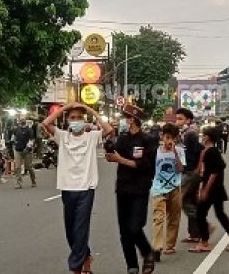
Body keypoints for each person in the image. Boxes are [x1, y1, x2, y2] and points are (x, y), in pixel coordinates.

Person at [43, 102, 112, 274]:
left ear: (84, 120)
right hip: (67, 188)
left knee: (81, 228)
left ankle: (76, 267)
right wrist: (64, 109)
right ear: (67, 120)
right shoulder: (62, 136)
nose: (76, 121)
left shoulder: (92, 137)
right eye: (72, 118)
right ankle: (86, 256)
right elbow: (46, 124)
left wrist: (90, 110)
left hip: (86, 188)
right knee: (71, 230)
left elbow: (109, 130)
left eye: (79, 118)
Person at [106, 104, 156, 274]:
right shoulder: (123, 139)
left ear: (132, 119)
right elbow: (113, 154)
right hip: (123, 189)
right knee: (124, 232)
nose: (123, 121)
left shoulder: (148, 140)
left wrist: (121, 160)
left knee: (135, 227)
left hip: (140, 189)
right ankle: (132, 266)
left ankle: (147, 252)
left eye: (125, 118)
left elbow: (147, 167)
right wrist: (110, 150)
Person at [189, 127, 229, 254]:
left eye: (204, 134)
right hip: (215, 188)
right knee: (220, 214)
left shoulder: (212, 151)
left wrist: (206, 189)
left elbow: (215, 171)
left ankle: (204, 242)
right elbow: (202, 170)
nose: (202, 136)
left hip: (213, 188)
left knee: (200, 214)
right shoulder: (207, 151)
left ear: (208, 137)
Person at [150, 123, 184, 262]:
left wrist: (175, 152)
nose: (170, 141)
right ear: (162, 136)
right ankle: (157, 247)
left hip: (175, 188)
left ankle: (169, 245)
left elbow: (181, 169)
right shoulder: (155, 151)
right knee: (158, 218)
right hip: (159, 189)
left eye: (173, 138)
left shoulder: (180, 151)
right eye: (168, 137)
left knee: (174, 218)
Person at [175, 108, 204, 243]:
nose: (178, 121)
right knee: (190, 200)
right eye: (177, 118)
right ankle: (195, 234)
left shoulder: (191, 134)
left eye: (180, 119)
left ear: (188, 120)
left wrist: (199, 169)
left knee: (179, 197)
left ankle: (203, 225)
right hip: (188, 170)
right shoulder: (185, 133)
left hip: (191, 171)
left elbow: (201, 150)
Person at [12, 117, 36, 189]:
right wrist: (14, 142)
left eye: (23, 120)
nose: (22, 121)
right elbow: (13, 137)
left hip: (27, 150)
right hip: (18, 150)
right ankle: (18, 183)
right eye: (21, 120)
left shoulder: (29, 130)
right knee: (17, 167)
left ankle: (33, 180)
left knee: (28, 167)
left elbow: (31, 140)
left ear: (25, 121)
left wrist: (28, 147)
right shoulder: (16, 129)